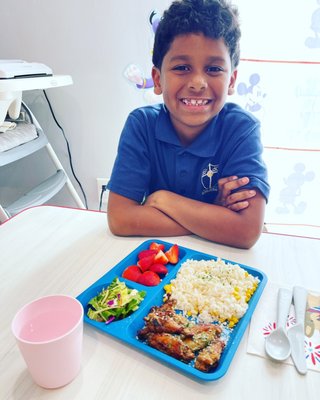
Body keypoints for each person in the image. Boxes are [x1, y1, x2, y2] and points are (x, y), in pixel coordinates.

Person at [107, 0, 270, 249]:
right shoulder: (141, 125)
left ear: (231, 80)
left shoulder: (242, 130)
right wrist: (214, 216)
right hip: (163, 261)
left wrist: (164, 200)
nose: (197, 82)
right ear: (157, 79)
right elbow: (120, 219)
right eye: (182, 67)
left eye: (214, 68)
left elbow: (246, 231)